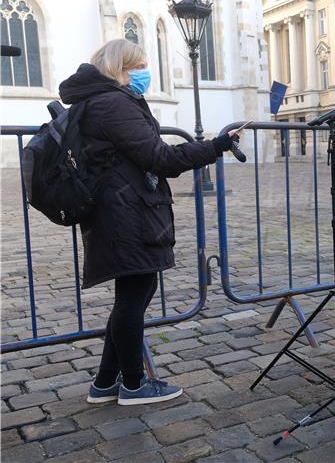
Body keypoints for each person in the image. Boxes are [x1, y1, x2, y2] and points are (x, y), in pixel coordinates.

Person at [59, 39, 242, 405]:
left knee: (134, 294)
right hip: (125, 211)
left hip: (123, 208)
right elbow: (159, 157)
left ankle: (106, 382)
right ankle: (133, 384)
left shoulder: (103, 100)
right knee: (134, 296)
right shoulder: (112, 103)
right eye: (140, 64)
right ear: (121, 68)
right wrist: (216, 146)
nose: (146, 70)